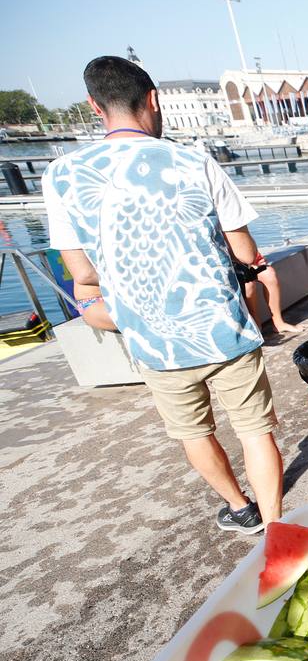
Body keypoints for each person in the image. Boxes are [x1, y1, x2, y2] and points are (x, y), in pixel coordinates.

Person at [44, 55, 283, 534]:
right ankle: (278, 530)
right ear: (153, 99)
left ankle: (240, 508)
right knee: (255, 430)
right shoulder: (193, 160)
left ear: (95, 106)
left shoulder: (62, 176)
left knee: (194, 433)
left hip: (154, 340)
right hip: (224, 328)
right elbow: (244, 249)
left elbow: (81, 272)